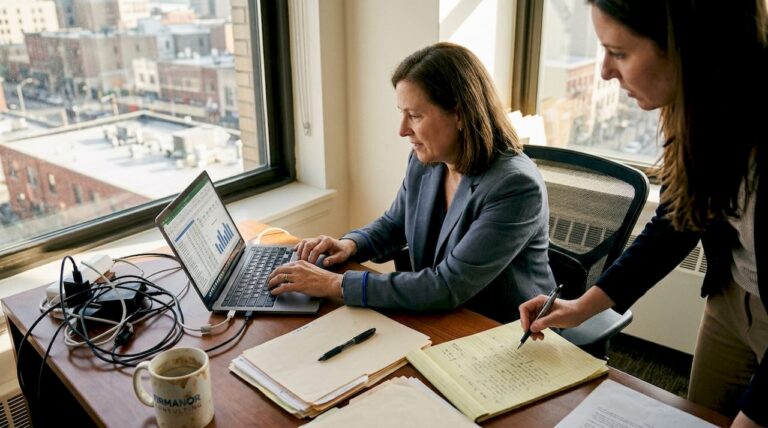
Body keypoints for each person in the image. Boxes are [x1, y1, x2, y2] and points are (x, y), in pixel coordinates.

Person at [519, 1, 767, 426]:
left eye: (618, 53)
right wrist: (583, 306)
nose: (604, 72)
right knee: (704, 414)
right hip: (730, 295)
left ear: (688, 47)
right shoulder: (699, 107)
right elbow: (676, 221)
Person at [268, 42, 555, 323]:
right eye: (402, 114)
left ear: (459, 115)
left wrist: (334, 284)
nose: (402, 130)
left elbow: (447, 286)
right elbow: (395, 224)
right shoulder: (426, 162)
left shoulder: (515, 187)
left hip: (501, 330)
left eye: (415, 116)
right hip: (442, 318)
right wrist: (350, 244)